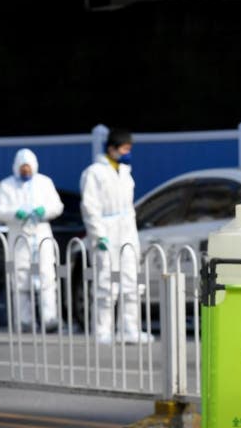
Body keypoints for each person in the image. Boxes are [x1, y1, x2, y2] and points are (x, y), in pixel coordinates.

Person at [80, 128, 152, 344]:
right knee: (106, 281)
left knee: (131, 282)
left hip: (126, 229)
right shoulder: (94, 173)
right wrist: (98, 234)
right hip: (107, 229)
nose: (128, 152)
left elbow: (128, 207)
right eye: (124, 148)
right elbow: (89, 206)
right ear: (112, 148)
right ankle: (103, 330)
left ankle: (129, 328)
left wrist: (133, 235)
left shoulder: (125, 172)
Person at [0, 148, 64, 333]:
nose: (26, 172)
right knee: (20, 278)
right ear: (17, 167)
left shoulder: (44, 183)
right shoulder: (7, 186)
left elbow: (57, 206)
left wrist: (44, 211)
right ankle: (24, 320)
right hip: (19, 237)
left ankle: (50, 317)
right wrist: (15, 214)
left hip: (41, 234)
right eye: (23, 168)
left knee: (47, 276)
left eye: (28, 168)